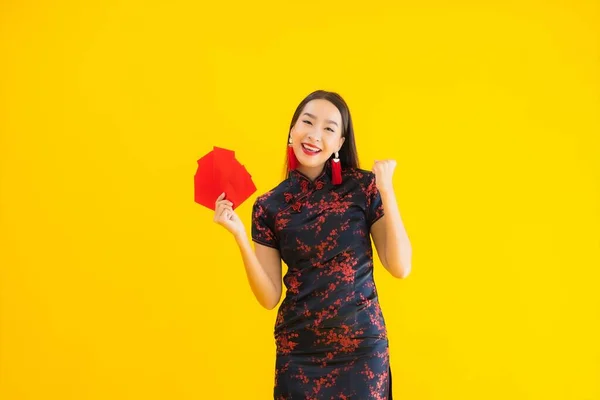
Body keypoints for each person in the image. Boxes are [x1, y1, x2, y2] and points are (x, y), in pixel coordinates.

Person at [213, 90, 412, 399]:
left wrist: (386, 189)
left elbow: (400, 267)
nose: (314, 135)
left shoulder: (364, 187)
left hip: (361, 350)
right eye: (307, 122)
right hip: (299, 353)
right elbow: (268, 297)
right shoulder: (269, 206)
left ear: (340, 143)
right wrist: (239, 234)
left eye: (329, 128)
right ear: (292, 130)